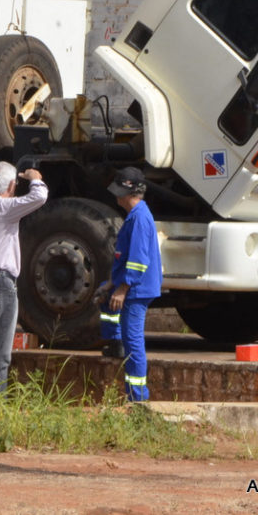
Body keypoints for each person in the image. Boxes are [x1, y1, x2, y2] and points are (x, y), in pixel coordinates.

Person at [0, 161, 48, 393]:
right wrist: (35, 177)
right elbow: (40, 196)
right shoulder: (4, 208)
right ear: (12, 185)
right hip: (1, 284)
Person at [97, 166, 162, 402]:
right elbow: (126, 258)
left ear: (130, 193)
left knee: (133, 339)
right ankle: (115, 344)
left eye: (119, 192)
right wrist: (111, 284)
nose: (116, 197)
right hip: (132, 285)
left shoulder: (139, 219)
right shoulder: (136, 216)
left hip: (136, 289)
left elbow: (138, 260)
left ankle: (137, 397)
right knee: (113, 313)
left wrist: (123, 289)